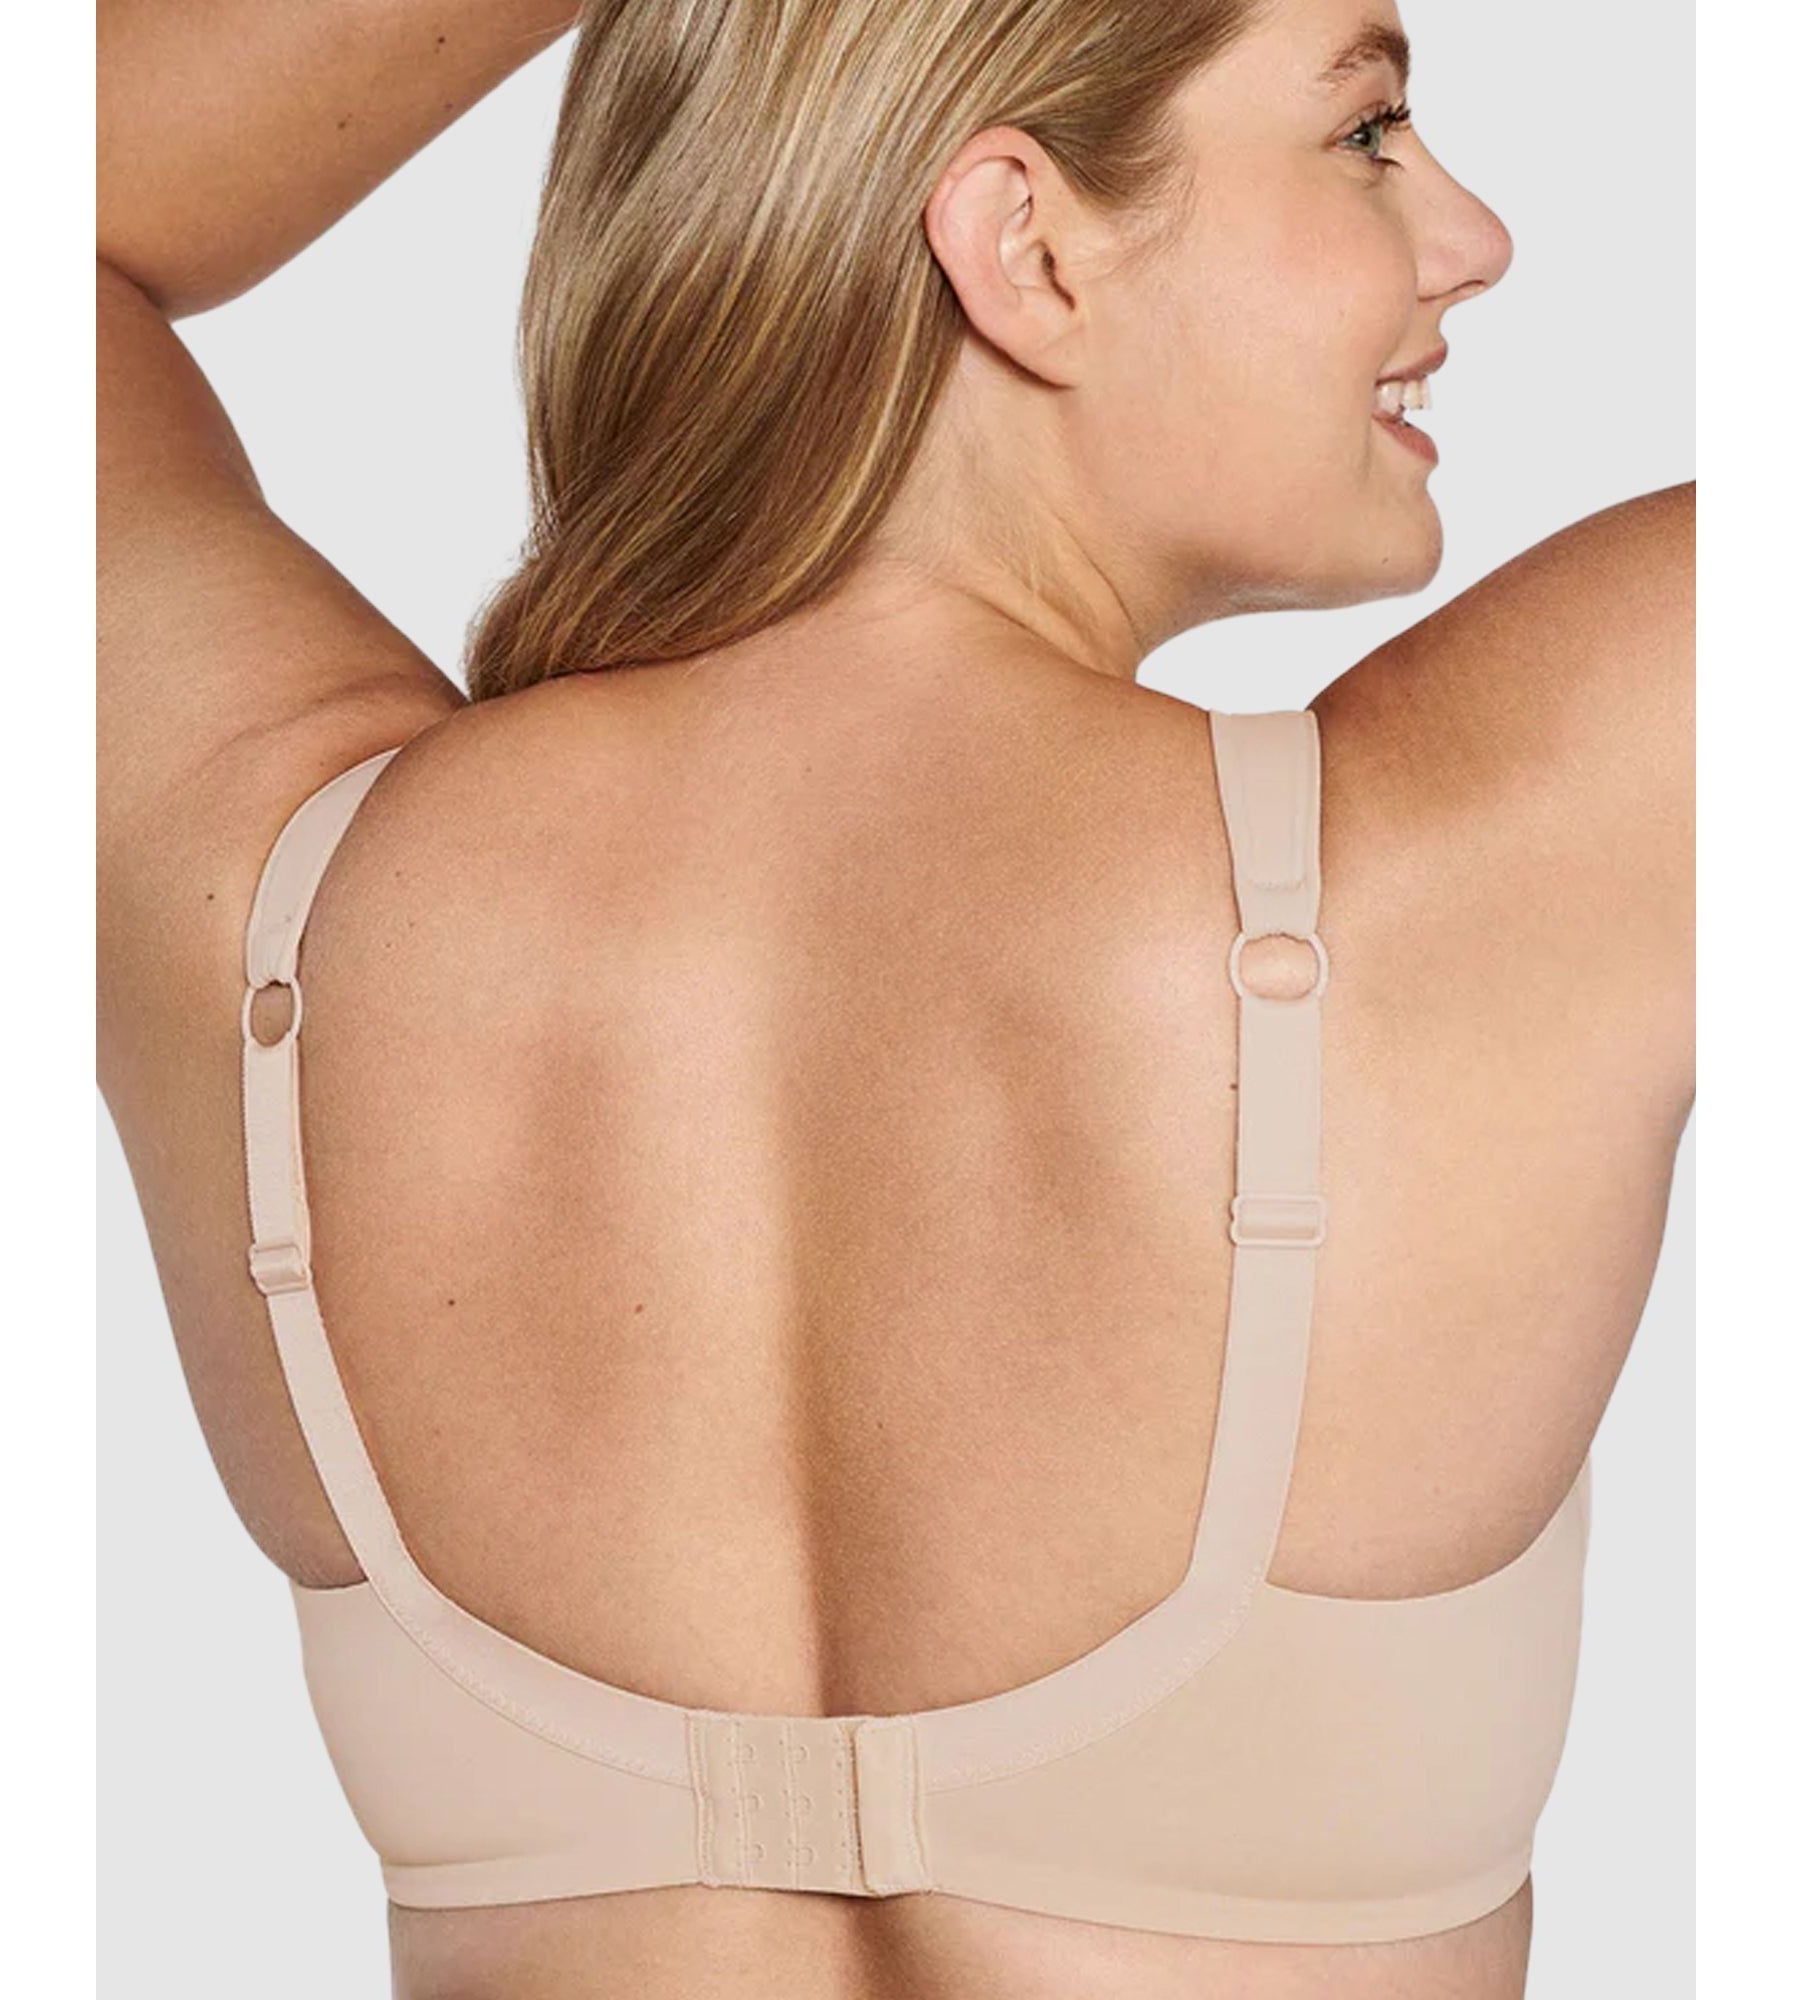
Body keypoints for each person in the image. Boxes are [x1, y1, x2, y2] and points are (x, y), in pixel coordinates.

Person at [96, 2, 1693, 1996]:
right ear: (1026, 244)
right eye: (1367, 129)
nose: (1473, 238)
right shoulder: (1529, 833)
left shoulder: (269, 896)